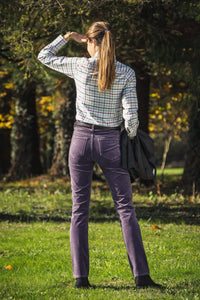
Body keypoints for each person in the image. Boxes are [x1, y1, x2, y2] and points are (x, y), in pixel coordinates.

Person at [38, 21, 161, 289]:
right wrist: (129, 136)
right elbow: (131, 120)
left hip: (80, 141)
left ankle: (80, 279)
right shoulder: (126, 73)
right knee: (126, 208)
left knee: (79, 209)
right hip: (110, 142)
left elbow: (43, 56)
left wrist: (68, 37)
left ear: (90, 42)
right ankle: (142, 277)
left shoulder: (79, 67)